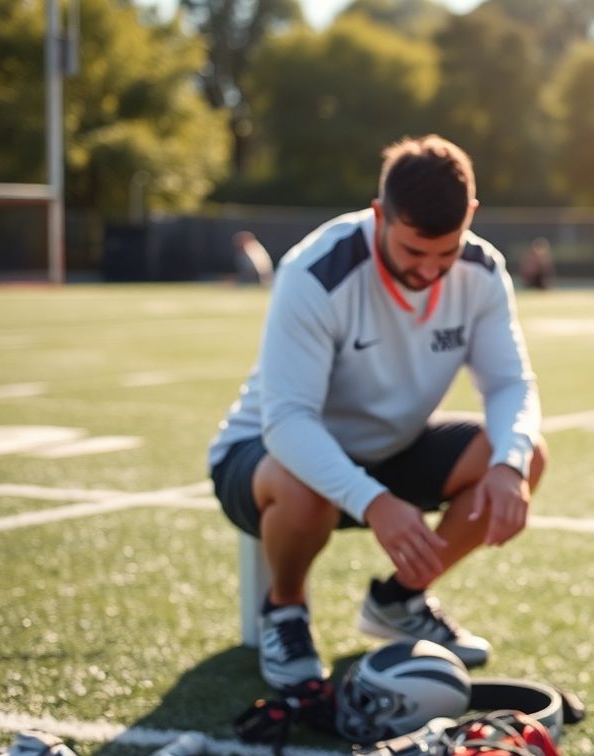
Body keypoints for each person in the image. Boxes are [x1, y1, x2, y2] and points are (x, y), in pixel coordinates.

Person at [208, 135, 545, 689]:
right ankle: (285, 610)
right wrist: (376, 503)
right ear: (378, 213)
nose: (431, 271)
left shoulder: (483, 270)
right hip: (266, 459)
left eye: (447, 251)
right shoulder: (316, 271)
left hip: (389, 449)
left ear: (472, 217)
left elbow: (510, 384)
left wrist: (509, 465)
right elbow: (287, 422)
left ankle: (399, 601)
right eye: (415, 252)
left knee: (522, 454)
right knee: (302, 479)